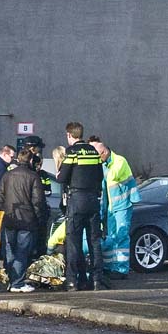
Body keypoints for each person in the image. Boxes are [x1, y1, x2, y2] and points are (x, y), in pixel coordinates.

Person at [56, 122, 105, 291]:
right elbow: (100, 176)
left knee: (74, 241)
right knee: (94, 241)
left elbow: (62, 178)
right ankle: (97, 280)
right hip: (93, 199)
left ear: (69, 135)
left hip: (77, 200)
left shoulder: (72, 152)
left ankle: (72, 281)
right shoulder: (94, 152)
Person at [88, 138, 141, 279]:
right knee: (111, 237)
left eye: (97, 156)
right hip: (111, 207)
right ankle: (110, 266)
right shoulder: (105, 164)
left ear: (104, 152)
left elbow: (114, 176)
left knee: (121, 236)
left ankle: (121, 269)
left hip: (122, 206)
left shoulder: (119, 162)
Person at [0, 149, 46, 293]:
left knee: (10, 249)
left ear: (18, 159)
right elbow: (38, 201)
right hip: (27, 219)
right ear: (30, 160)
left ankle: (12, 279)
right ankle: (17, 283)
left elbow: (0, 197)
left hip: (10, 218)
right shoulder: (33, 176)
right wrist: (38, 219)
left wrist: (5, 211)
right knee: (22, 251)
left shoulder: (7, 175)